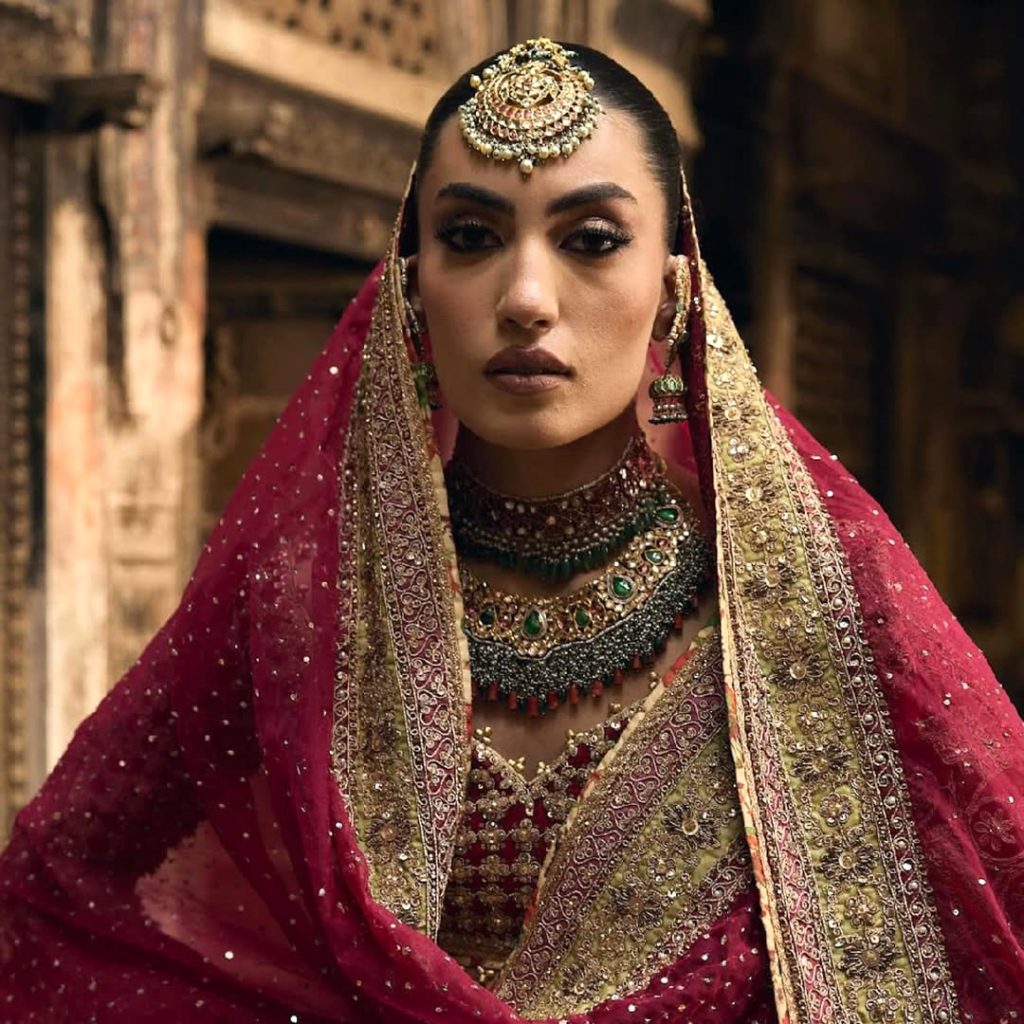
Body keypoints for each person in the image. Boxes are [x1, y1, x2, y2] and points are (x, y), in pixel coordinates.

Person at [1, 38, 1022, 1024]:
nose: (527, 298)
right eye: (472, 238)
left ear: (674, 286)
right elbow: (65, 902)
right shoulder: (300, 617)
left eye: (589, 240)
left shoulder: (811, 616)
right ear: (410, 283)